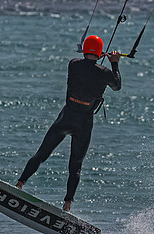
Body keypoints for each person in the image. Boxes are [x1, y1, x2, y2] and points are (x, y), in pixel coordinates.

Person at [16, 34, 122, 212]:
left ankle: (19, 184)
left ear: (85, 50)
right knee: (75, 166)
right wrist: (115, 62)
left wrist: (98, 55)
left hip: (66, 118)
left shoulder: (73, 64)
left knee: (41, 154)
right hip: (84, 123)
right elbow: (117, 86)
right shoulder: (104, 73)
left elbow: (86, 64)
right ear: (100, 52)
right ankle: (67, 205)